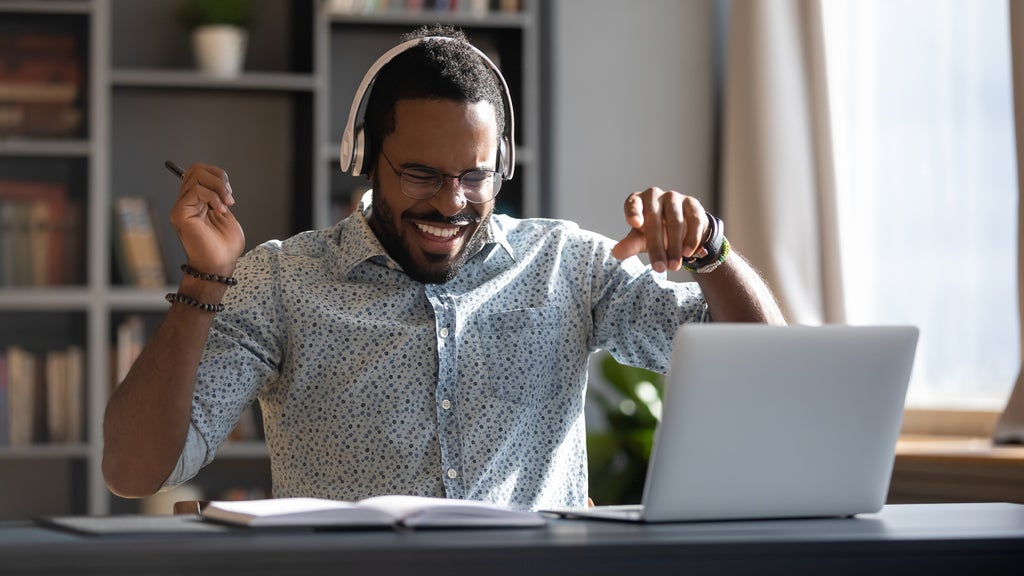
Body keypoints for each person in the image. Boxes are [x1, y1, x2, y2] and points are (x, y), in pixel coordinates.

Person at [102, 26, 784, 511]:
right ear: (365, 159)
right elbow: (135, 472)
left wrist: (711, 253)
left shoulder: (567, 265)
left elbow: (763, 373)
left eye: (474, 177)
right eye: (423, 174)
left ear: (503, 167)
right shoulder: (282, 281)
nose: (452, 203)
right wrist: (204, 279)